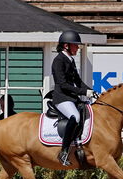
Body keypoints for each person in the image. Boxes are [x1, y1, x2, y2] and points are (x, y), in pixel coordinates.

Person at [52, 30, 93, 166]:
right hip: (61, 98)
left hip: (71, 97)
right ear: (66, 46)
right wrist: (82, 91)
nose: (77, 47)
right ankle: (63, 152)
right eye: (75, 45)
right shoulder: (58, 60)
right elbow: (62, 84)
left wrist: (90, 91)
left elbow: (78, 81)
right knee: (75, 116)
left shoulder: (70, 60)